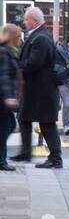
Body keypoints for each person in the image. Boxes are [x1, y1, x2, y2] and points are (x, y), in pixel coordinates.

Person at [14, 7, 62, 169]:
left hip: (42, 91)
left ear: (34, 20)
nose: (24, 22)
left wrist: (17, 66)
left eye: (26, 19)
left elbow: (35, 62)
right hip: (35, 90)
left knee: (47, 123)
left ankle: (56, 158)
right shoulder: (38, 35)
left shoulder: (41, 37)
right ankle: (26, 152)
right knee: (24, 118)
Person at [0, 24, 21, 171]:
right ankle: (1, 161)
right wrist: (8, 97)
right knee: (6, 128)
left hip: (4, 99)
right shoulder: (4, 52)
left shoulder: (8, 51)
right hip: (2, 100)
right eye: (19, 36)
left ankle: (2, 160)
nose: (20, 39)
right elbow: (4, 76)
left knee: (9, 126)